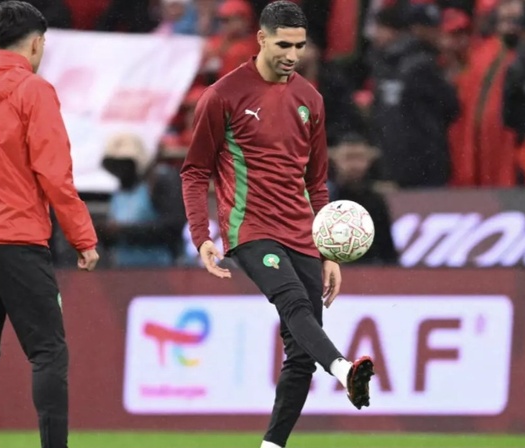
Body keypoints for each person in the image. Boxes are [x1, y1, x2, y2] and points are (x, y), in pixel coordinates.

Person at [180, 2, 374, 448]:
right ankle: (343, 368)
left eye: (299, 46)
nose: (292, 55)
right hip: (249, 229)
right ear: (262, 39)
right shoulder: (224, 96)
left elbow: (316, 182)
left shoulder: (311, 99)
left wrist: (328, 251)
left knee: (301, 356)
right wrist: (202, 235)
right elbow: (195, 171)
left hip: (302, 233)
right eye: (283, 45)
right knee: (293, 302)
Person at [0, 2, 99, 447]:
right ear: (35, 43)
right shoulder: (34, 91)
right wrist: (83, 237)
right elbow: (54, 173)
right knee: (48, 352)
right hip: (17, 237)